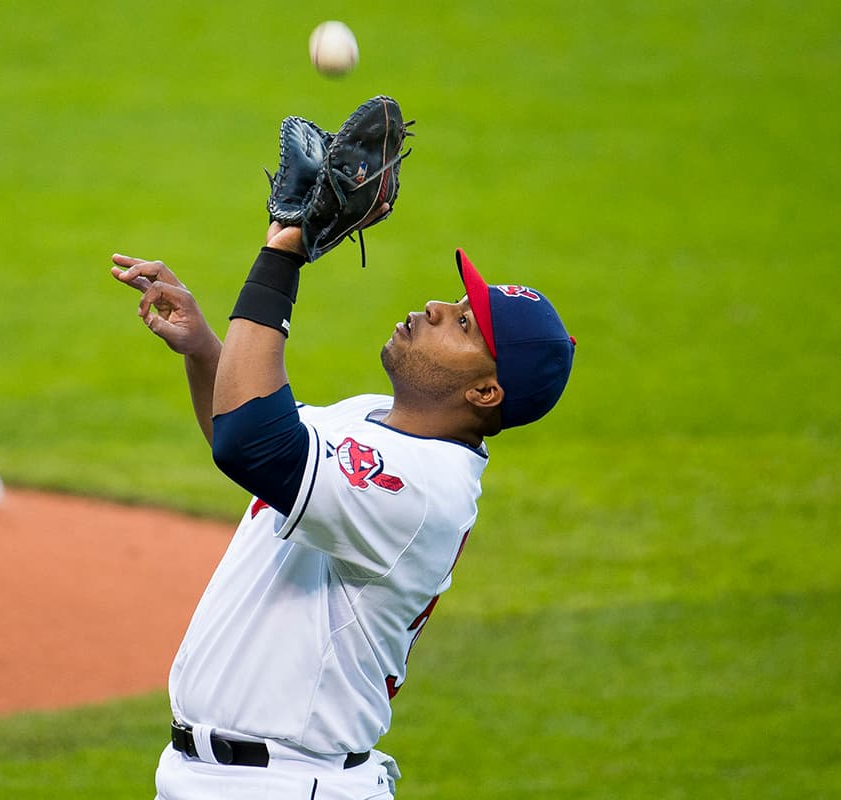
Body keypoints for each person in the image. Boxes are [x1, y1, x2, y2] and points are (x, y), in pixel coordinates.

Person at [111, 208, 575, 800]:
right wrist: (205, 351)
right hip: (218, 778)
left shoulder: (425, 486)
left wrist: (282, 257)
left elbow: (253, 445)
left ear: (485, 392)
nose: (435, 308)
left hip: (288, 783)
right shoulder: (371, 415)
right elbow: (248, 437)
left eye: (463, 325)